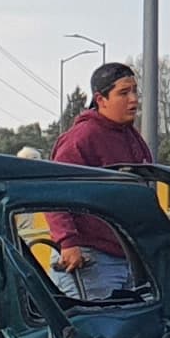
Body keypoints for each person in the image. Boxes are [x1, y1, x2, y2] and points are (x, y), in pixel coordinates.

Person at [45, 61, 151, 301]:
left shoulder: (132, 137)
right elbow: (52, 192)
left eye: (135, 91)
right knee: (98, 333)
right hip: (89, 259)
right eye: (123, 93)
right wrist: (68, 243)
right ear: (101, 99)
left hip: (127, 256)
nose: (133, 99)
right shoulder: (81, 139)